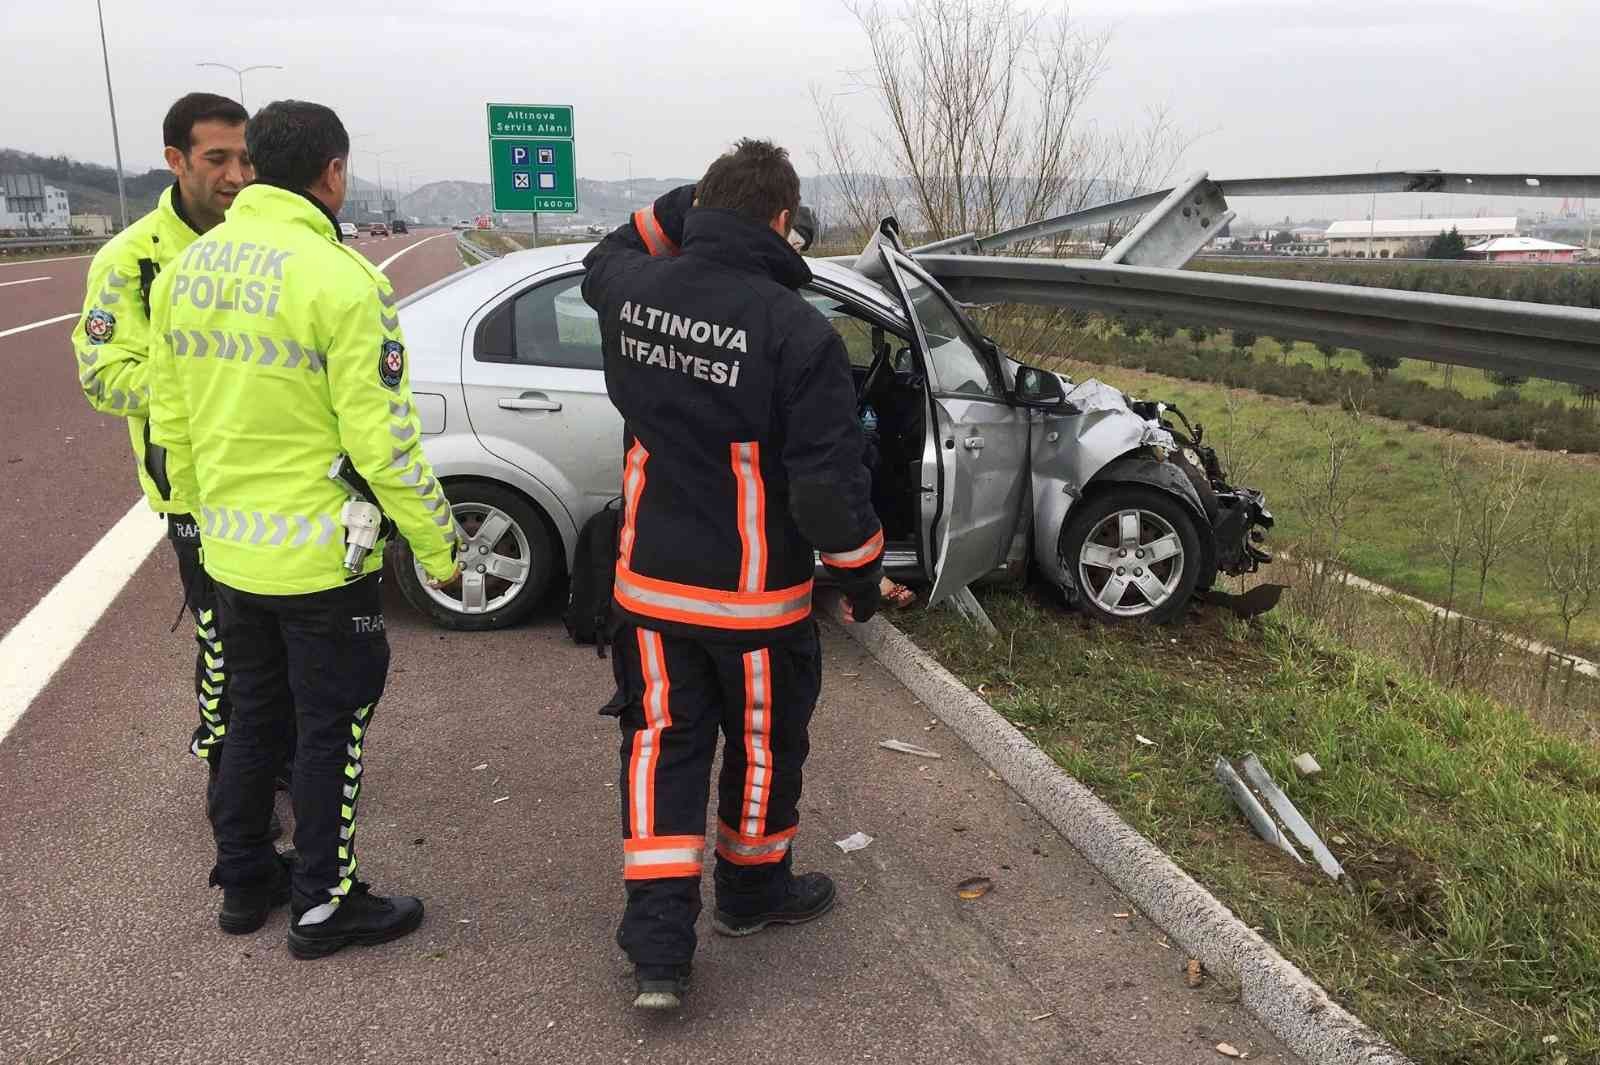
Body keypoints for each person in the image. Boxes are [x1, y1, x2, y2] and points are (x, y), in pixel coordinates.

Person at [147, 99, 461, 953]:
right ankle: (324, 902)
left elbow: (167, 420)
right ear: (332, 174)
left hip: (230, 554)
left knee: (252, 718)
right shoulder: (343, 280)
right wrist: (439, 546)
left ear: (251, 164)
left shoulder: (189, 270)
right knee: (332, 728)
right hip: (325, 561)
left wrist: (196, 523)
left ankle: (247, 881)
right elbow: (385, 440)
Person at [582, 139, 884, 1009]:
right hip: (754, 603)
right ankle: (750, 896)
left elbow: (610, 250)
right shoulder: (799, 332)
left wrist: (685, 209)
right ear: (784, 223)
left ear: (703, 211)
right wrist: (862, 577)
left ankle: (658, 952)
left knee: (660, 751)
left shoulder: (632, 289)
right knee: (760, 752)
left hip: (648, 591)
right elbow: (829, 492)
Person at [70, 93, 294, 832]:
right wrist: (204, 388)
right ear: (175, 161)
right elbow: (103, 373)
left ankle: (279, 761)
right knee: (224, 651)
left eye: (246, 159)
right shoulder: (129, 258)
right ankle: (235, 806)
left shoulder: (272, 242)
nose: (236, 175)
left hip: (280, 486)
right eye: (217, 159)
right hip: (197, 494)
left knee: (286, 648)